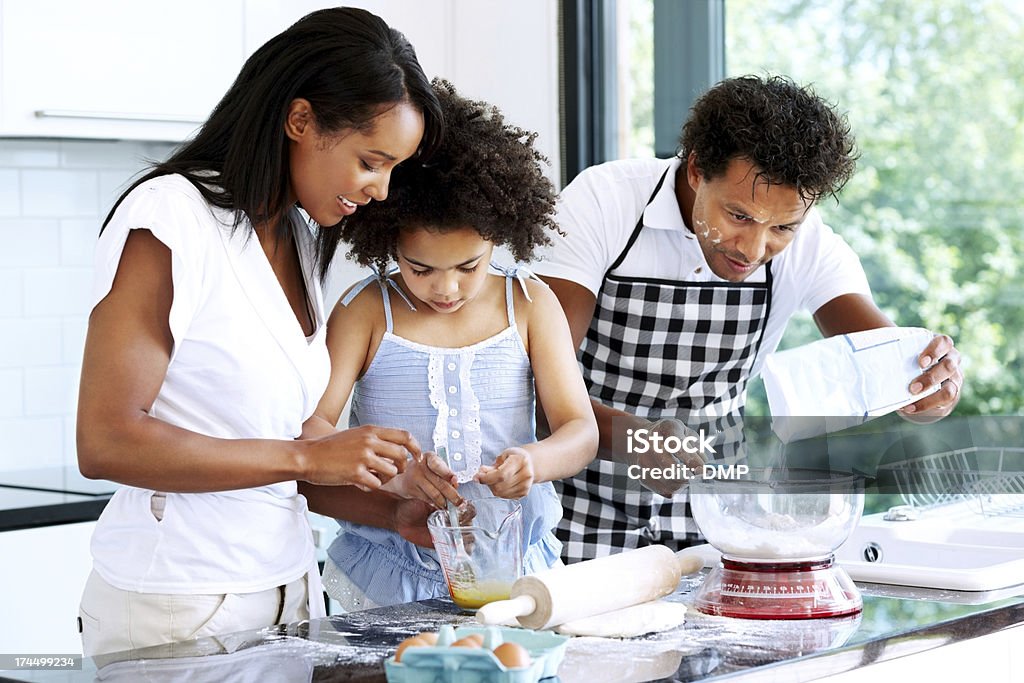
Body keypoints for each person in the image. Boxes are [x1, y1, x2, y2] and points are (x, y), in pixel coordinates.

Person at [75, 8, 444, 655]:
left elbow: (280, 458)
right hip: (178, 606)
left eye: (393, 169)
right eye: (371, 160)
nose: (382, 190)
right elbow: (106, 439)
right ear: (300, 120)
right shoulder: (170, 217)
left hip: (286, 592)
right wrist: (308, 453)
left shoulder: (298, 238)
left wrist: (391, 507)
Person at [531, 74, 965, 563]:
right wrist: (633, 438)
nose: (754, 249)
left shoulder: (813, 246)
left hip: (718, 517)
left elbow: (890, 366)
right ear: (696, 170)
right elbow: (537, 388)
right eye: (738, 216)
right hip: (574, 510)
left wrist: (927, 384)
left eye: (782, 227)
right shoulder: (604, 203)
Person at [303, 79, 599, 610]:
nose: (446, 288)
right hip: (389, 570)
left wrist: (534, 462)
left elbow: (580, 432)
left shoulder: (529, 303)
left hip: (516, 569)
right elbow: (312, 432)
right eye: (420, 268)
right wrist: (394, 477)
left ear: (499, 238)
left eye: (469, 266)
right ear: (387, 237)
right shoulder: (367, 310)